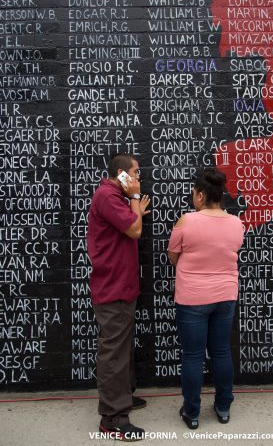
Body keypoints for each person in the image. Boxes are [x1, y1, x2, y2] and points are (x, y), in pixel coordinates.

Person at [168, 168, 244, 429]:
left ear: (200, 195)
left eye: (193, 193)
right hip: (226, 295)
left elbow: (173, 257)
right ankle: (223, 408)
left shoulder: (185, 221)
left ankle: (192, 413)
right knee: (222, 352)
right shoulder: (237, 223)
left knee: (192, 356)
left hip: (192, 298)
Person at [87, 153, 150, 441]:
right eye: (135, 173)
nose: (139, 177)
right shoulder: (109, 197)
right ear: (122, 174)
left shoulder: (116, 199)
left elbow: (129, 225)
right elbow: (135, 230)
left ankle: (122, 396)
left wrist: (133, 205)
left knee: (122, 349)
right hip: (112, 289)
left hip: (123, 287)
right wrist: (135, 197)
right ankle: (112, 418)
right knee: (113, 353)